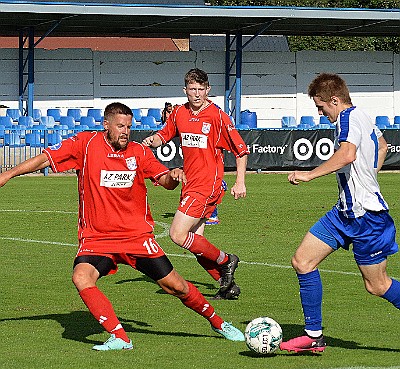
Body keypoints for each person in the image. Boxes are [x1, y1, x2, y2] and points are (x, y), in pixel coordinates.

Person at [0, 102, 245, 351]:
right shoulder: (85, 144)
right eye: (120, 126)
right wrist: (8, 174)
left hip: (136, 237)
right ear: (106, 125)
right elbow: (45, 158)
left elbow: (165, 181)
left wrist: (172, 175)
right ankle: (119, 337)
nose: (125, 131)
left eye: (128, 126)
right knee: (81, 277)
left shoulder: (138, 152)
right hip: (97, 238)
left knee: (177, 287)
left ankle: (218, 323)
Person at [280, 73, 400, 353]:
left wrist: (309, 176)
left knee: (377, 285)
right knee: (302, 261)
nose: (321, 114)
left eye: (321, 107)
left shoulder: (347, 118)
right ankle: (313, 335)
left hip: (367, 218)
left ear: (335, 100)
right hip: (344, 213)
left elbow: (347, 155)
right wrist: (369, 177)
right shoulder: (363, 116)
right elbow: (382, 146)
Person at [142, 68, 249, 300]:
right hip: (189, 184)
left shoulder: (217, 116)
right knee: (196, 243)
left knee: (177, 234)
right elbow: (164, 134)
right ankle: (227, 285)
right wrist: (154, 140)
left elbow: (241, 150)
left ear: (208, 89)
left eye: (201, 89)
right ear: (185, 90)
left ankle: (226, 260)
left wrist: (240, 182)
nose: (197, 94)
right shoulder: (179, 112)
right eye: (193, 89)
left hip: (208, 184)